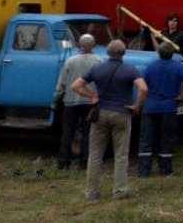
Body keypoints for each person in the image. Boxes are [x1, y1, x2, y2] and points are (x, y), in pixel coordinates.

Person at [72, 40, 148, 200]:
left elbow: (76, 86)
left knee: (95, 155)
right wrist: (137, 106)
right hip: (121, 113)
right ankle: (119, 191)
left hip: (100, 113)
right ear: (123, 53)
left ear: (107, 52)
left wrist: (92, 96)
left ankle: (91, 192)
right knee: (121, 155)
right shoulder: (130, 69)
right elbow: (143, 88)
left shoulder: (97, 69)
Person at [137, 41, 183, 177]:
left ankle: (144, 170)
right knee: (167, 138)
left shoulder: (151, 66)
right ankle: (165, 169)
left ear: (159, 53)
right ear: (172, 53)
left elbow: (142, 84)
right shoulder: (177, 66)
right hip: (168, 107)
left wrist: (139, 104)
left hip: (150, 107)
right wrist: (182, 96)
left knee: (146, 138)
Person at [52, 34, 100, 170]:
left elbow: (61, 83)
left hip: (71, 101)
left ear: (79, 44)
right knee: (88, 133)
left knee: (67, 132)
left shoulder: (70, 61)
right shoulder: (99, 61)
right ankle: (84, 162)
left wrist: (56, 100)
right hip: (90, 102)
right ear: (93, 45)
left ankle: (64, 162)